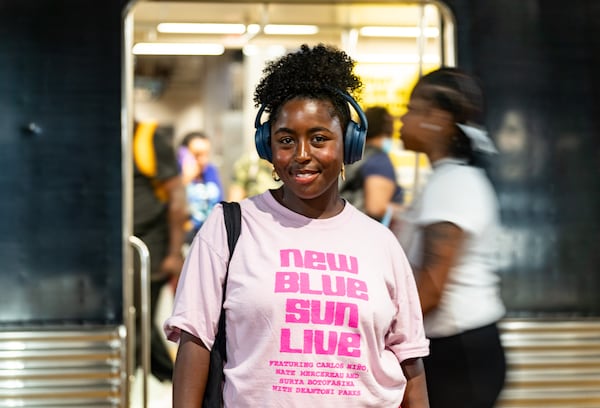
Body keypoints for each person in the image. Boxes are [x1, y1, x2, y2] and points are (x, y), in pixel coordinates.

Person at [164, 44, 430, 408]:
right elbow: (195, 344)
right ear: (267, 147)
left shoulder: (381, 242)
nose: (302, 154)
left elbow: (409, 362)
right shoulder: (228, 229)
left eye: (319, 138)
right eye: (286, 140)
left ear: (349, 146)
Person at [397, 67, 506, 408]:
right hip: (456, 348)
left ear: (437, 119)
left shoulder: (452, 184)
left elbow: (431, 288)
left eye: (412, 109)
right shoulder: (444, 180)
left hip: (460, 353)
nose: (403, 118)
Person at [132, 120, 187, 383]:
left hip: (149, 250)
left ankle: (177, 377)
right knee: (134, 322)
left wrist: (174, 254)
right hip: (123, 251)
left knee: (138, 321)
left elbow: (178, 201)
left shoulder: (148, 139)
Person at [340, 105, 404, 225]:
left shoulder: (352, 155)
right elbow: (376, 207)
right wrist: (408, 213)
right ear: (389, 130)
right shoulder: (379, 161)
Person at [178, 131, 224, 244]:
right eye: (197, 155)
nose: (203, 160)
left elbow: (219, 204)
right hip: (185, 239)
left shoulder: (210, 171)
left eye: (206, 154)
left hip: (209, 237)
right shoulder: (176, 174)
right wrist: (186, 179)